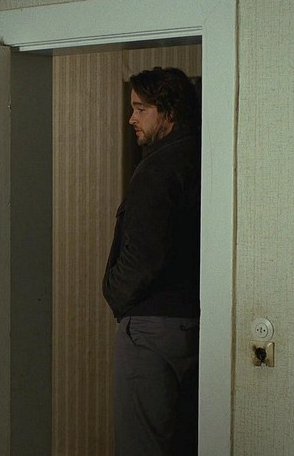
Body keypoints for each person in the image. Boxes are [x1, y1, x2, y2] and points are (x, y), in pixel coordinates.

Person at [102, 67, 201, 455]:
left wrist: (115, 294)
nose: (132, 118)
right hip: (192, 322)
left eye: (141, 109)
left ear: (169, 112)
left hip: (150, 327)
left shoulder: (158, 167)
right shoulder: (202, 156)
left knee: (140, 445)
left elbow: (144, 256)